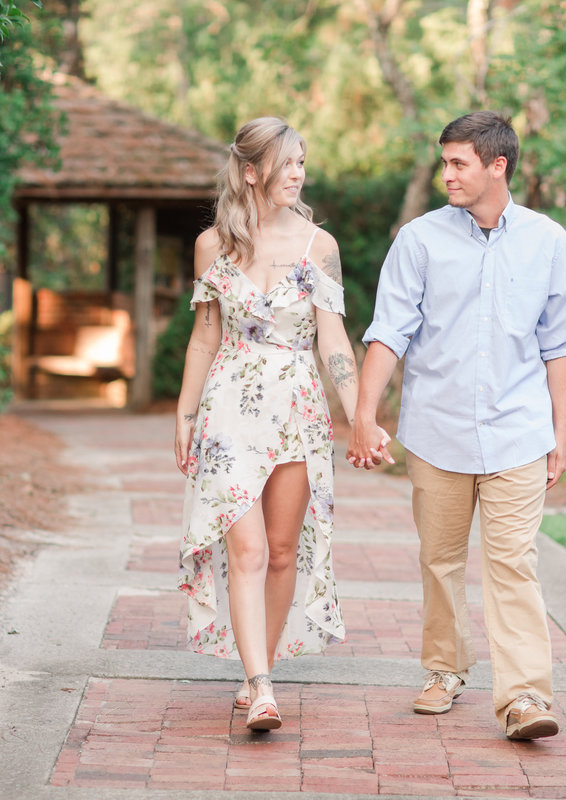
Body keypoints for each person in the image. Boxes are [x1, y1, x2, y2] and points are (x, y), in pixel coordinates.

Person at [347, 111, 566, 740]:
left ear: (497, 166)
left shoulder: (548, 241)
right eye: (444, 162)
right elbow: (388, 331)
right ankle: (445, 669)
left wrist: (562, 433)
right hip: (437, 430)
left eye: (459, 164)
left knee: (513, 563)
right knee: (441, 561)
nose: (446, 174)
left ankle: (525, 698)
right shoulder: (418, 239)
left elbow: (561, 344)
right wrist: (365, 414)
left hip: (518, 432)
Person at [174, 117, 374, 731]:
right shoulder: (215, 245)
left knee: (284, 551)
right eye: (288, 163)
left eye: (303, 163)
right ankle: (261, 686)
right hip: (229, 409)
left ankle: (254, 672)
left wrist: (360, 415)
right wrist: (184, 414)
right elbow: (205, 337)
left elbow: (334, 341)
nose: (299, 175)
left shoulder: (321, 247)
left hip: (297, 410)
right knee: (249, 548)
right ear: (252, 170)